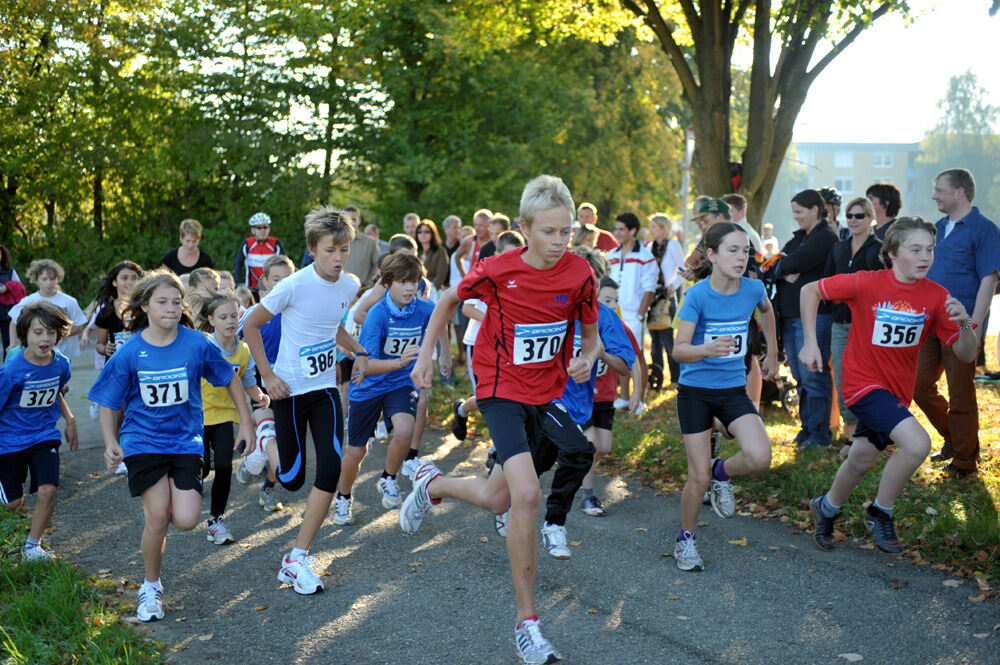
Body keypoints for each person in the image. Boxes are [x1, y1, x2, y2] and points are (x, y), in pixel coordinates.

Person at [400, 175, 598, 665]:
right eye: (550, 232)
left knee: (496, 498)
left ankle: (433, 485)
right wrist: (425, 357)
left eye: (566, 232)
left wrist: (587, 357)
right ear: (526, 228)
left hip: (545, 392)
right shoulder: (496, 269)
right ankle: (528, 624)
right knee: (527, 494)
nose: (559, 242)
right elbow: (447, 301)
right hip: (498, 387)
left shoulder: (580, 274)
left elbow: (592, 336)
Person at [802, 217, 977, 553]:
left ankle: (825, 507)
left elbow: (965, 355)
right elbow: (811, 291)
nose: (925, 256)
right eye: (916, 249)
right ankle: (881, 512)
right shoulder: (866, 283)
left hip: (896, 393)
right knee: (916, 444)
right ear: (893, 253)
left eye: (930, 249)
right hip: (861, 385)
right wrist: (810, 343)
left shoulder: (937, 296)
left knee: (861, 460)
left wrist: (965, 324)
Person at [87, 270, 253, 622]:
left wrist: (247, 425)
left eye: (177, 302)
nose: (171, 308)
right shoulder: (130, 352)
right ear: (145, 305)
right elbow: (108, 401)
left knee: (187, 519)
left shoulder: (197, 344)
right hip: (142, 441)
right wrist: (110, 442)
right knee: (159, 516)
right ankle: (150, 586)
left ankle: (155, 559)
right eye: (162, 302)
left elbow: (231, 381)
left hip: (185, 442)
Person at [242, 206, 362, 595]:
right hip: (289, 391)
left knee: (331, 468)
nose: (339, 258)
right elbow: (250, 324)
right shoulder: (293, 285)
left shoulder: (348, 285)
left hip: (325, 389)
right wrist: (269, 376)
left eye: (344, 249)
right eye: (331, 250)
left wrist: (356, 350)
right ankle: (266, 440)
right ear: (313, 249)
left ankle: (296, 557)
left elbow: (332, 324)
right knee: (291, 480)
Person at [671, 222, 778, 571]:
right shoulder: (698, 295)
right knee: (695, 477)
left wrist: (773, 353)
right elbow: (679, 351)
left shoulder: (752, 288)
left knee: (761, 455)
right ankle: (686, 540)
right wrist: (707, 349)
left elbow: (766, 309)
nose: (741, 256)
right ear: (712, 255)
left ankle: (722, 471)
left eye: (746, 250)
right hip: (695, 393)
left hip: (732, 390)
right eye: (732, 250)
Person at [336, 253, 449, 524]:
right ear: (387, 283)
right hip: (369, 386)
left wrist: (444, 353)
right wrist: (400, 361)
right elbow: (365, 366)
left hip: (400, 383)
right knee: (356, 452)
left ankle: (388, 477)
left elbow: (439, 321)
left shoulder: (423, 308)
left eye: (415, 281)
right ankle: (343, 496)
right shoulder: (377, 315)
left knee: (405, 430)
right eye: (403, 282)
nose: (410, 288)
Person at [914, 169, 1000, 476]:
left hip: (960, 326)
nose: (934, 195)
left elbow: (989, 279)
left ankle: (965, 461)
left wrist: (974, 326)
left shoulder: (984, 230)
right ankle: (955, 437)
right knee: (919, 387)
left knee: (961, 392)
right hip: (929, 323)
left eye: (939, 189)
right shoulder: (937, 229)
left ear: (959, 192)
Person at [0, 302, 77, 560]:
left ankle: (32, 546)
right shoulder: (11, 371)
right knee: (13, 503)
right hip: (9, 441)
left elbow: (56, 391)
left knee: (48, 489)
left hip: (44, 435)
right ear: (25, 335)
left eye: (51, 333)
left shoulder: (61, 365)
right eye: (38, 332)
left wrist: (69, 419)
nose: (45, 339)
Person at [195, 292, 269, 545]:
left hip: (225, 416)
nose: (230, 321)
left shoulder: (244, 349)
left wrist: (260, 395)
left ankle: (216, 521)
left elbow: (247, 380)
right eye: (223, 317)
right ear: (211, 320)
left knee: (225, 466)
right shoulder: (203, 345)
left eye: (234, 316)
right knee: (202, 468)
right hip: (198, 415)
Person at [773, 189, 840, 449]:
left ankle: (820, 435)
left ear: (815, 209)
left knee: (814, 375)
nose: (796, 218)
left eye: (799, 212)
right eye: (794, 212)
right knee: (800, 375)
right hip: (790, 316)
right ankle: (807, 427)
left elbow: (791, 263)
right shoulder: (800, 237)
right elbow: (776, 264)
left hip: (814, 317)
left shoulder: (824, 237)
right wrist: (780, 268)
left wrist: (784, 267)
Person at [237, 254, 296, 512]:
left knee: (285, 443)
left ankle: (267, 487)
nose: (283, 284)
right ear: (265, 282)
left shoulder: (298, 311)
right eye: (277, 279)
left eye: (288, 279)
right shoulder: (253, 314)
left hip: (291, 382)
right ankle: (252, 461)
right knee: (269, 432)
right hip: (259, 380)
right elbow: (232, 343)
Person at [825, 198, 882, 453]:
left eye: (859, 215)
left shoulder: (879, 250)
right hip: (840, 322)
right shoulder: (838, 249)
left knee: (868, 378)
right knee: (842, 375)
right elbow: (827, 282)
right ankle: (850, 433)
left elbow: (883, 287)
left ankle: (870, 431)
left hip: (868, 325)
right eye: (849, 215)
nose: (853, 220)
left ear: (871, 218)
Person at [7, 259, 87, 359]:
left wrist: (56, 335)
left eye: (52, 279)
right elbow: (14, 322)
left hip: (62, 353)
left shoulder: (69, 301)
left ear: (58, 279)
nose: (49, 283)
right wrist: (13, 343)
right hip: (35, 353)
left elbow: (79, 326)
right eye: (44, 279)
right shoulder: (28, 301)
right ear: (36, 280)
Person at [648, 213, 684, 388]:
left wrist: (674, 285)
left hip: (668, 297)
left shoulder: (673, 245)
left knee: (669, 340)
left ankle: (676, 378)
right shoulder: (650, 247)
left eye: (654, 226)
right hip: (653, 297)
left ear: (663, 228)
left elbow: (683, 271)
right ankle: (657, 376)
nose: (651, 230)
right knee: (655, 341)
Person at [233, 212, 285, 296]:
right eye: (259, 228)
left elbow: (284, 266)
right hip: (251, 290)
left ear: (269, 229)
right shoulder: (247, 244)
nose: (262, 230)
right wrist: (239, 283)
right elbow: (238, 265)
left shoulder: (275, 244)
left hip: (271, 290)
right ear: (253, 230)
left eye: (265, 227)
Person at [0, 244, 25, 353]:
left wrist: (8, 286)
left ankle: (7, 368)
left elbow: (20, 287)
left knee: (8, 343)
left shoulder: (10, 271)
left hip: (6, 313)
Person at [453, 208, 493, 273]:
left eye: (481, 225)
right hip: (475, 281)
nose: (477, 228)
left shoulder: (495, 241)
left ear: (489, 225)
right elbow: (457, 257)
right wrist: (464, 275)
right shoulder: (469, 241)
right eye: (475, 225)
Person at [416, 219, 449, 290]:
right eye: (419, 232)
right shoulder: (414, 252)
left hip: (434, 290)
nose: (423, 234)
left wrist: (429, 289)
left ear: (432, 233)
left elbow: (441, 275)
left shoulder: (440, 252)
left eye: (426, 232)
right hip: (415, 289)